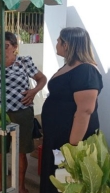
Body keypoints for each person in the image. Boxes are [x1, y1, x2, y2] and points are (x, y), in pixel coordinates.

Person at [0, 32, 47, 193]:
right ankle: (0, 185)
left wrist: (33, 91)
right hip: (0, 114)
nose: (0, 49)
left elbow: (42, 79)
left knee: (20, 152)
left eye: (5, 46)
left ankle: (21, 186)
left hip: (22, 113)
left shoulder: (25, 62)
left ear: (14, 47)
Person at [40, 27, 103, 193]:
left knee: (67, 179)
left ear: (67, 44)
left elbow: (85, 111)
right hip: (57, 136)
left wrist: (72, 146)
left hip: (70, 139)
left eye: (59, 40)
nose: (56, 43)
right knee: (56, 177)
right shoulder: (69, 66)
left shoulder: (86, 70)